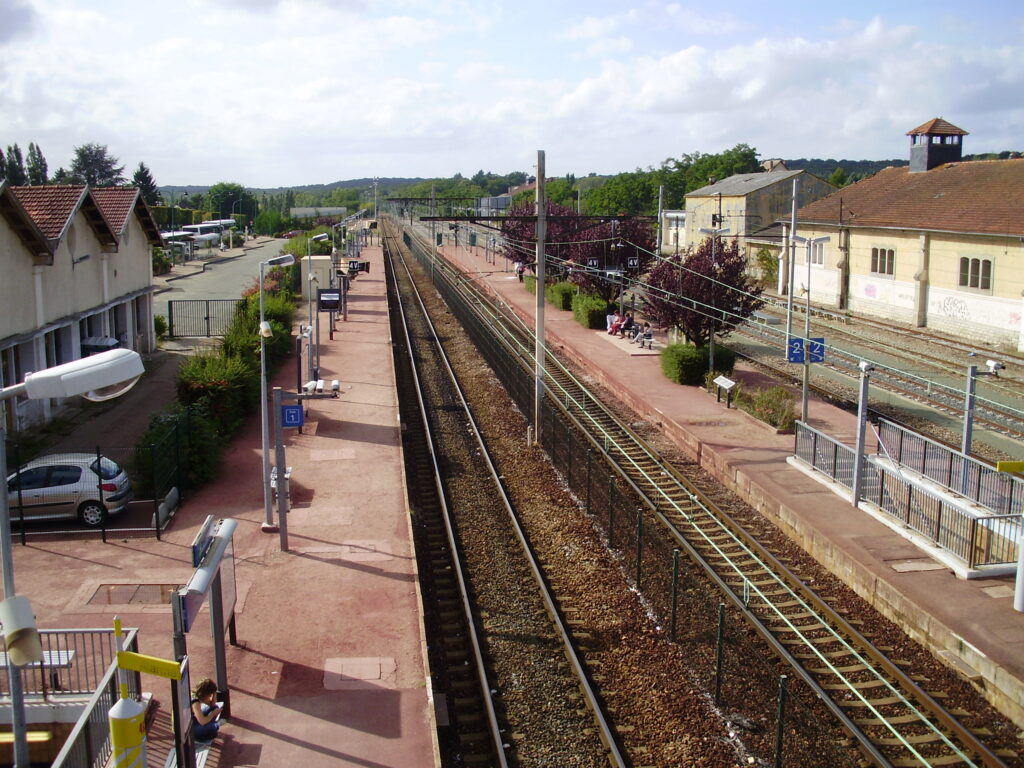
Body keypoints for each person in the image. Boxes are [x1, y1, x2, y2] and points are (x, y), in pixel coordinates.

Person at [191, 678, 222, 744]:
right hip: (187, 730)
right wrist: (213, 714)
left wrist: (214, 694)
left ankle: (212, 724)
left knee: (214, 707)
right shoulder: (195, 703)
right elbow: (202, 722)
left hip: (192, 721)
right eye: (210, 695)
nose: (211, 697)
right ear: (205, 694)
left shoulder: (197, 696)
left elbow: (212, 704)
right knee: (212, 729)